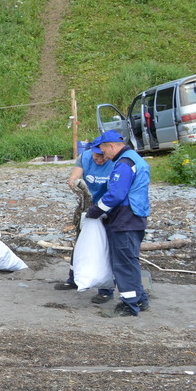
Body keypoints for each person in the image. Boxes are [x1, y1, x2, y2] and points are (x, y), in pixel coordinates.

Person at [85, 130, 151, 317]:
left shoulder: (124, 164)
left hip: (125, 218)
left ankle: (129, 304)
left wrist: (95, 211)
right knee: (130, 260)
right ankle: (140, 299)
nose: (103, 155)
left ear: (111, 146)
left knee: (123, 263)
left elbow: (116, 194)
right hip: (135, 216)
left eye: (104, 150)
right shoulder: (133, 159)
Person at [54, 137, 116, 302]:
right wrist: (76, 184)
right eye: (97, 156)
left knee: (105, 247)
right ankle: (74, 279)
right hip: (88, 208)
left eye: (102, 156)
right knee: (80, 243)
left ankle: (105, 289)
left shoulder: (114, 160)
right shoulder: (85, 157)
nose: (100, 159)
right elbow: (74, 176)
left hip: (109, 208)